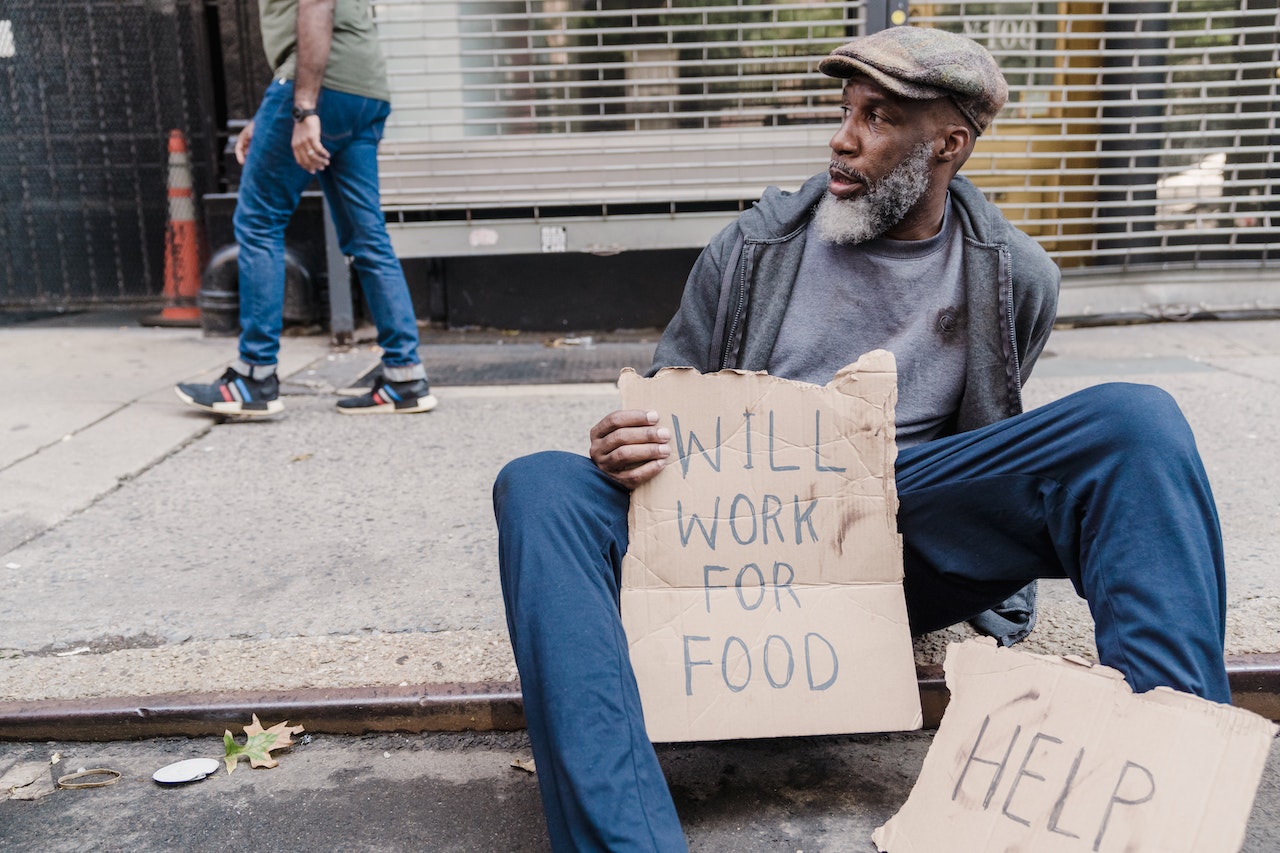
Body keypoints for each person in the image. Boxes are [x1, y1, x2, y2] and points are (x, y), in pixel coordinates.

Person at [493, 25, 1231, 852]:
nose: (842, 140)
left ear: (948, 144)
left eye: (878, 119)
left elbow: (990, 446)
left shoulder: (1016, 273)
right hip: (739, 545)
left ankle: (1174, 793)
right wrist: (626, 445)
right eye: (845, 111)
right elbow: (669, 410)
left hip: (903, 534)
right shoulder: (751, 248)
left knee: (1135, 422)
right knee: (539, 485)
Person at [176, 0, 435, 417]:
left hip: (321, 87)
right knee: (367, 236)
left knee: (259, 221)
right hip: (364, 91)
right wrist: (272, 118)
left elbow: (317, 4)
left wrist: (303, 109)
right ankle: (405, 377)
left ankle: (255, 377)